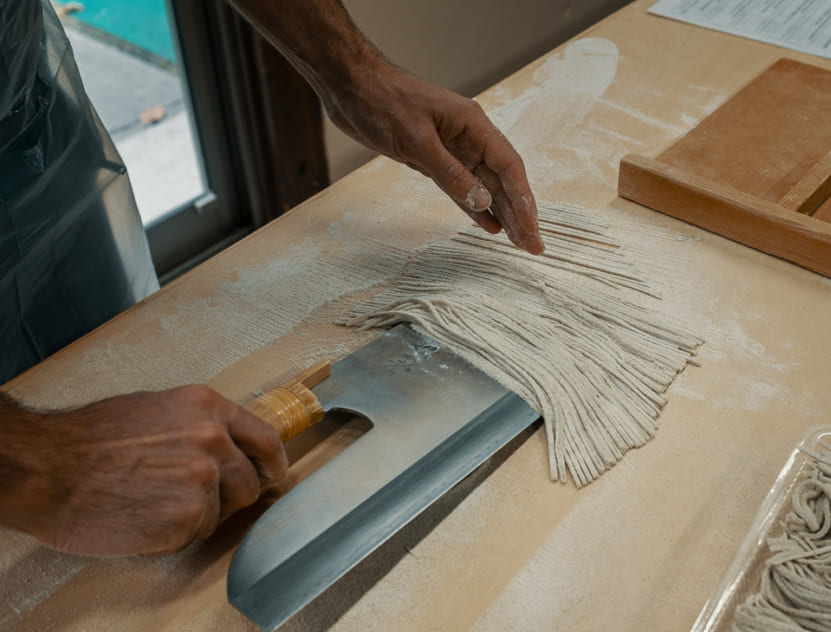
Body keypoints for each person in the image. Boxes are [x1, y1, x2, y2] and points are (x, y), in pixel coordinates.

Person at [0, 0, 545, 557]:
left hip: (27, 129)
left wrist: (350, 74)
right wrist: (41, 464)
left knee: (99, 375)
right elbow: (54, 467)